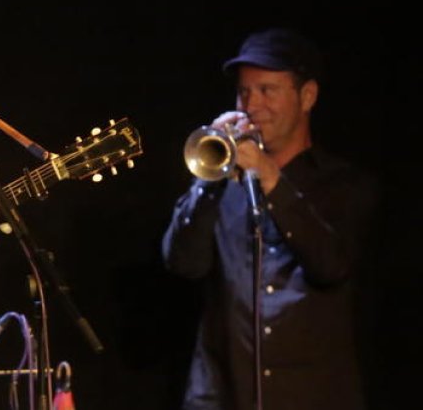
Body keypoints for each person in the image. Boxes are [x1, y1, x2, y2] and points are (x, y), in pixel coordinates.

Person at [162, 27, 380, 410]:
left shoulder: (343, 185)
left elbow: (331, 265)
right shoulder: (220, 185)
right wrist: (208, 182)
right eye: (244, 92)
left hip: (311, 398)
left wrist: (270, 178)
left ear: (307, 96)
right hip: (221, 397)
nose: (252, 105)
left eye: (267, 90)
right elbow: (183, 263)